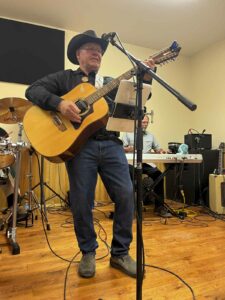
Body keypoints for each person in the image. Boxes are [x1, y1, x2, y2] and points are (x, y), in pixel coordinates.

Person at [25, 30, 155, 278]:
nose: (97, 52)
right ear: (78, 54)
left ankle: (120, 253)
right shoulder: (64, 78)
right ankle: (88, 252)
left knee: (127, 195)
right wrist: (60, 104)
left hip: (112, 145)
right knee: (81, 202)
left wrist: (145, 79)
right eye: (90, 48)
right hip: (80, 148)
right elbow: (33, 91)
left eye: (100, 50)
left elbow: (134, 105)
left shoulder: (108, 83)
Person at [122, 114, 171, 217]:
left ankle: (159, 207)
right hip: (132, 164)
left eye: (146, 122)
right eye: (143, 122)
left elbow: (158, 149)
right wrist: (128, 149)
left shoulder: (151, 136)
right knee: (128, 177)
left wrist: (161, 151)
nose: (145, 124)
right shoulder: (127, 134)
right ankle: (129, 208)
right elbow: (122, 149)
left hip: (147, 163)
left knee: (159, 176)